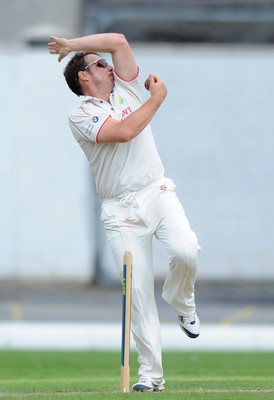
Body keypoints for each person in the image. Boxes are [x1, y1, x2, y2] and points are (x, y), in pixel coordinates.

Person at [48, 33, 200, 392]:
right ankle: (152, 377)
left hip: (156, 191)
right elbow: (124, 131)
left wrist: (71, 44)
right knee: (138, 295)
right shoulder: (81, 113)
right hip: (120, 210)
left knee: (186, 250)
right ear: (85, 77)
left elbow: (117, 40)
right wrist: (158, 99)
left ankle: (182, 301)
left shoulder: (126, 89)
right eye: (99, 64)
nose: (109, 65)